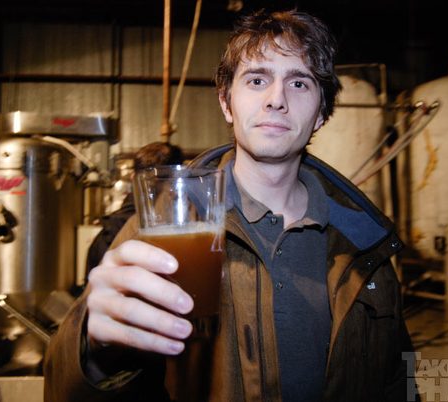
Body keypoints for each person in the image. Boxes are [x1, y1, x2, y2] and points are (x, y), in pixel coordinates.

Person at [44, 9, 416, 402]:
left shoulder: (364, 242)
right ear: (226, 103)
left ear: (322, 113)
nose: (277, 100)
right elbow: (63, 390)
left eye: (299, 83)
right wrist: (93, 352)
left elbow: (400, 381)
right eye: (257, 80)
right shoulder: (163, 231)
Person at [85, 141, 185, 278]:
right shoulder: (185, 231)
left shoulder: (106, 235)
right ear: (178, 180)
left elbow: (92, 285)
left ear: (133, 178)